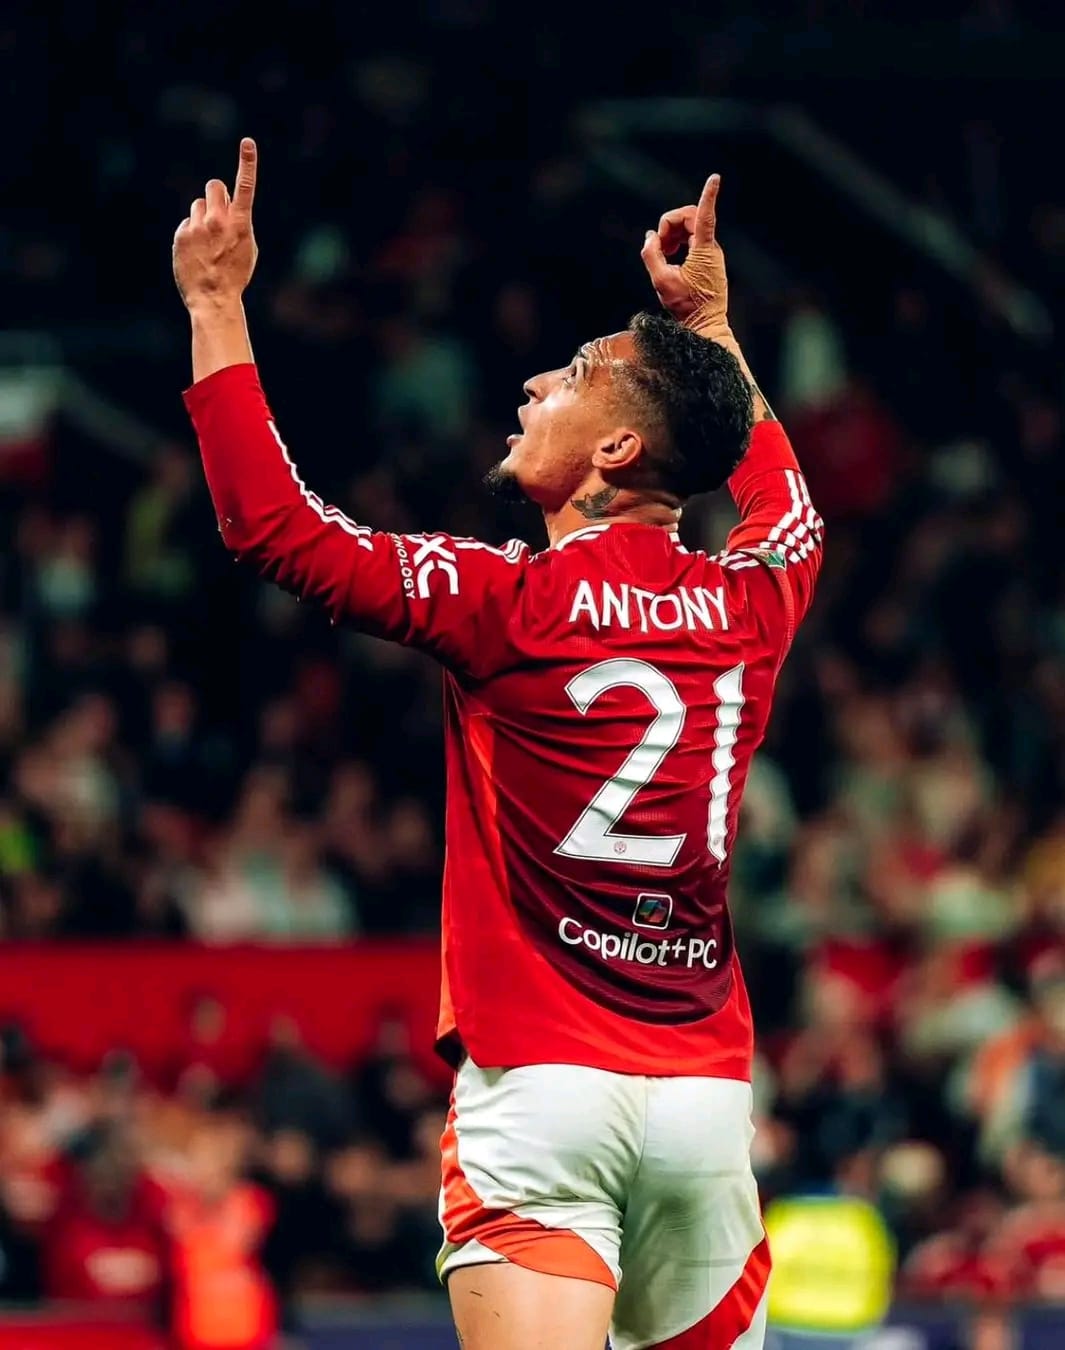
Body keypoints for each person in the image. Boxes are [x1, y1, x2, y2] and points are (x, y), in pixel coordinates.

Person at [173, 139, 823, 1350]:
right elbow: (789, 505)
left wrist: (215, 304)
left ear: (616, 452)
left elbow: (274, 527)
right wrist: (715, 331)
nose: (533, 384)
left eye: (572, 376)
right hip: (703, 1103)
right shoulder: (755, 601)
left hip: (542, 1094)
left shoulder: (504, 603)